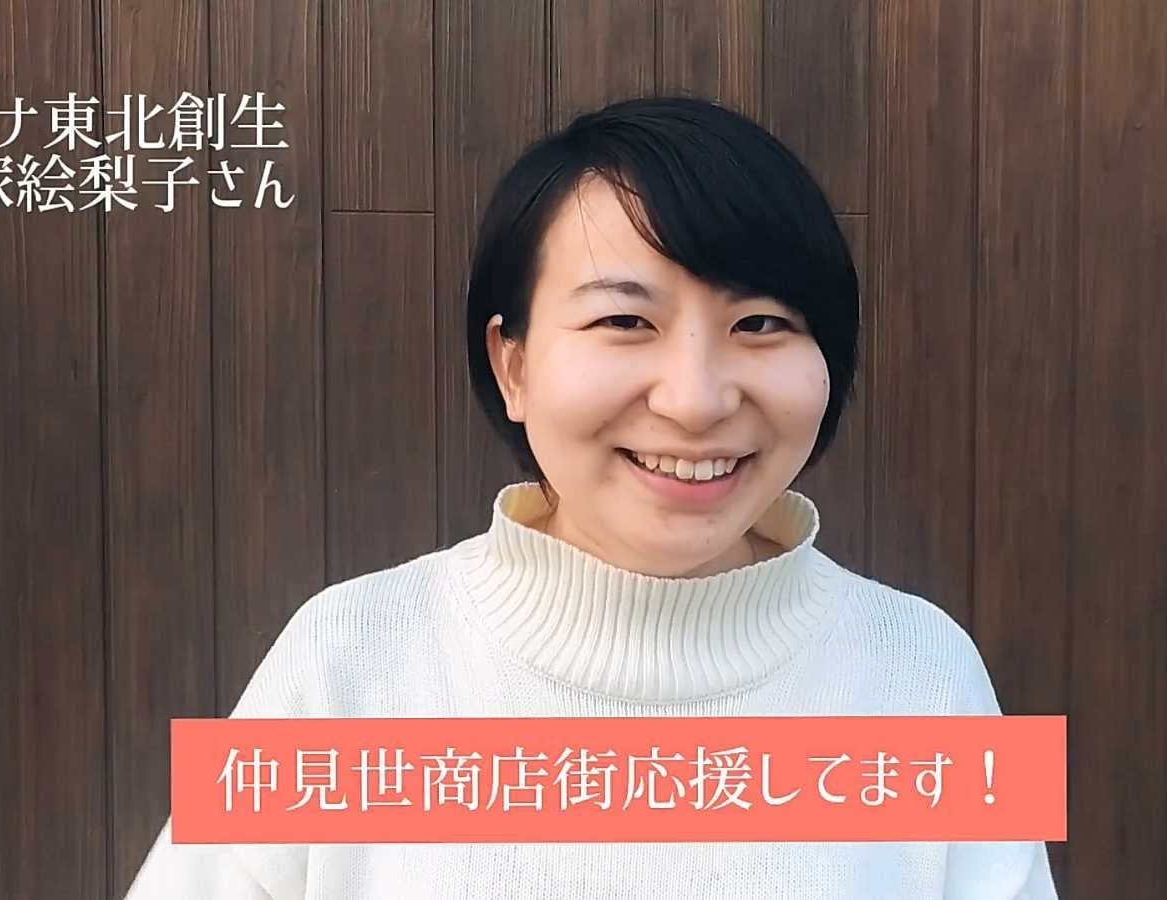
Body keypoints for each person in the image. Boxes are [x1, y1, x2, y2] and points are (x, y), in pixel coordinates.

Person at [125, 95, 1059, 899]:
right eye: (624, 320)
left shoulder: (926, 668)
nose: (695, 400)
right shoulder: (345, 654)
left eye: (761, 323)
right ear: (513, 365)